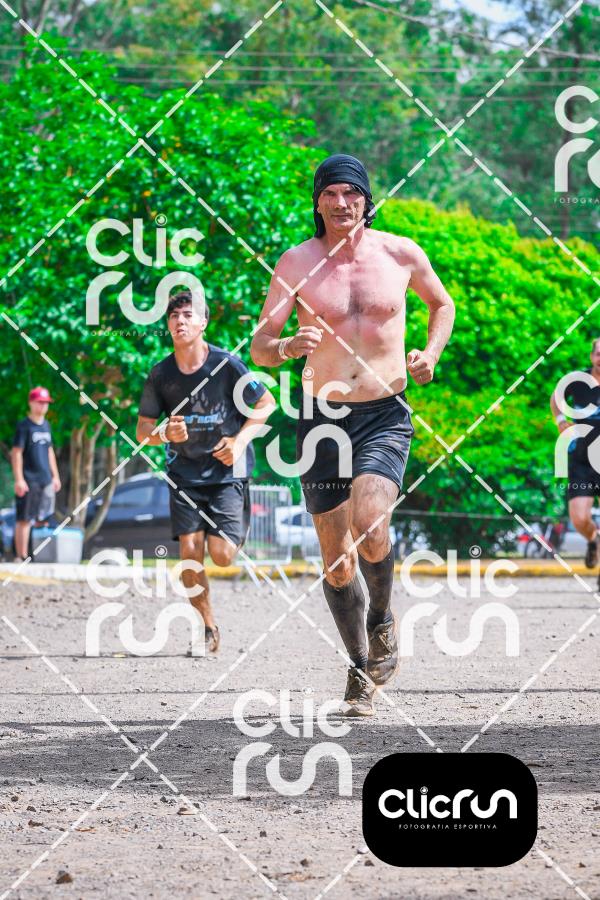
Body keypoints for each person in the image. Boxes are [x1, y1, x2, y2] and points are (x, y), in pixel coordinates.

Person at [251, 153, 455, 716]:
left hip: (383, 412)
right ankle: (360, 668)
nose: (342, 203)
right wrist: (286, 346)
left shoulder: (400, 253)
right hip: (321, 419)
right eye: (331, 194)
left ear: (367, 199)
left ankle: (382, 617)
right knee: (337, 561)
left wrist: (431, 353)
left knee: (371, 522)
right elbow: (260, 346)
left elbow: (442, 304)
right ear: (317, 203)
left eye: (352, 193)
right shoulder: (296, 263)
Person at [136, 289, 275, 654]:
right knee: (190, 550)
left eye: (187, 315)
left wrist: (240, 441)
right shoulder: (160, 374)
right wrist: (164, 433)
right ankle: (207, 627)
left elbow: (266, 403)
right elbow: (143, 431)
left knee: (223, 555)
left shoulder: (226, 365)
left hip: (227, 471)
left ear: (203, 323)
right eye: (173, 316)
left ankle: (235, 528)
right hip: (184, 473)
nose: (179, 321)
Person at [550, 339, 600, 568]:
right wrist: (560, 420)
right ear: (592, 356)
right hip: (582, 462)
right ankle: (593, 539)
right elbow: (556, 397)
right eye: (598, 354)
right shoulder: (578, 380)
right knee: (579, 519)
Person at [11, 386, 61, 563]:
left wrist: (55, 476)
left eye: (46, 403)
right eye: (40, 402)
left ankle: (37, 554)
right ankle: (21, 555)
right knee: (24, 518)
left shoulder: (46, 425)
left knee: (43, 519)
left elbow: (49, 451)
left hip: (45, 479)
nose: (43, 406)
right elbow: (16, 452)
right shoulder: (24, 426)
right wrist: (19, 479)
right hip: (28, 478)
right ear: (31, 403)